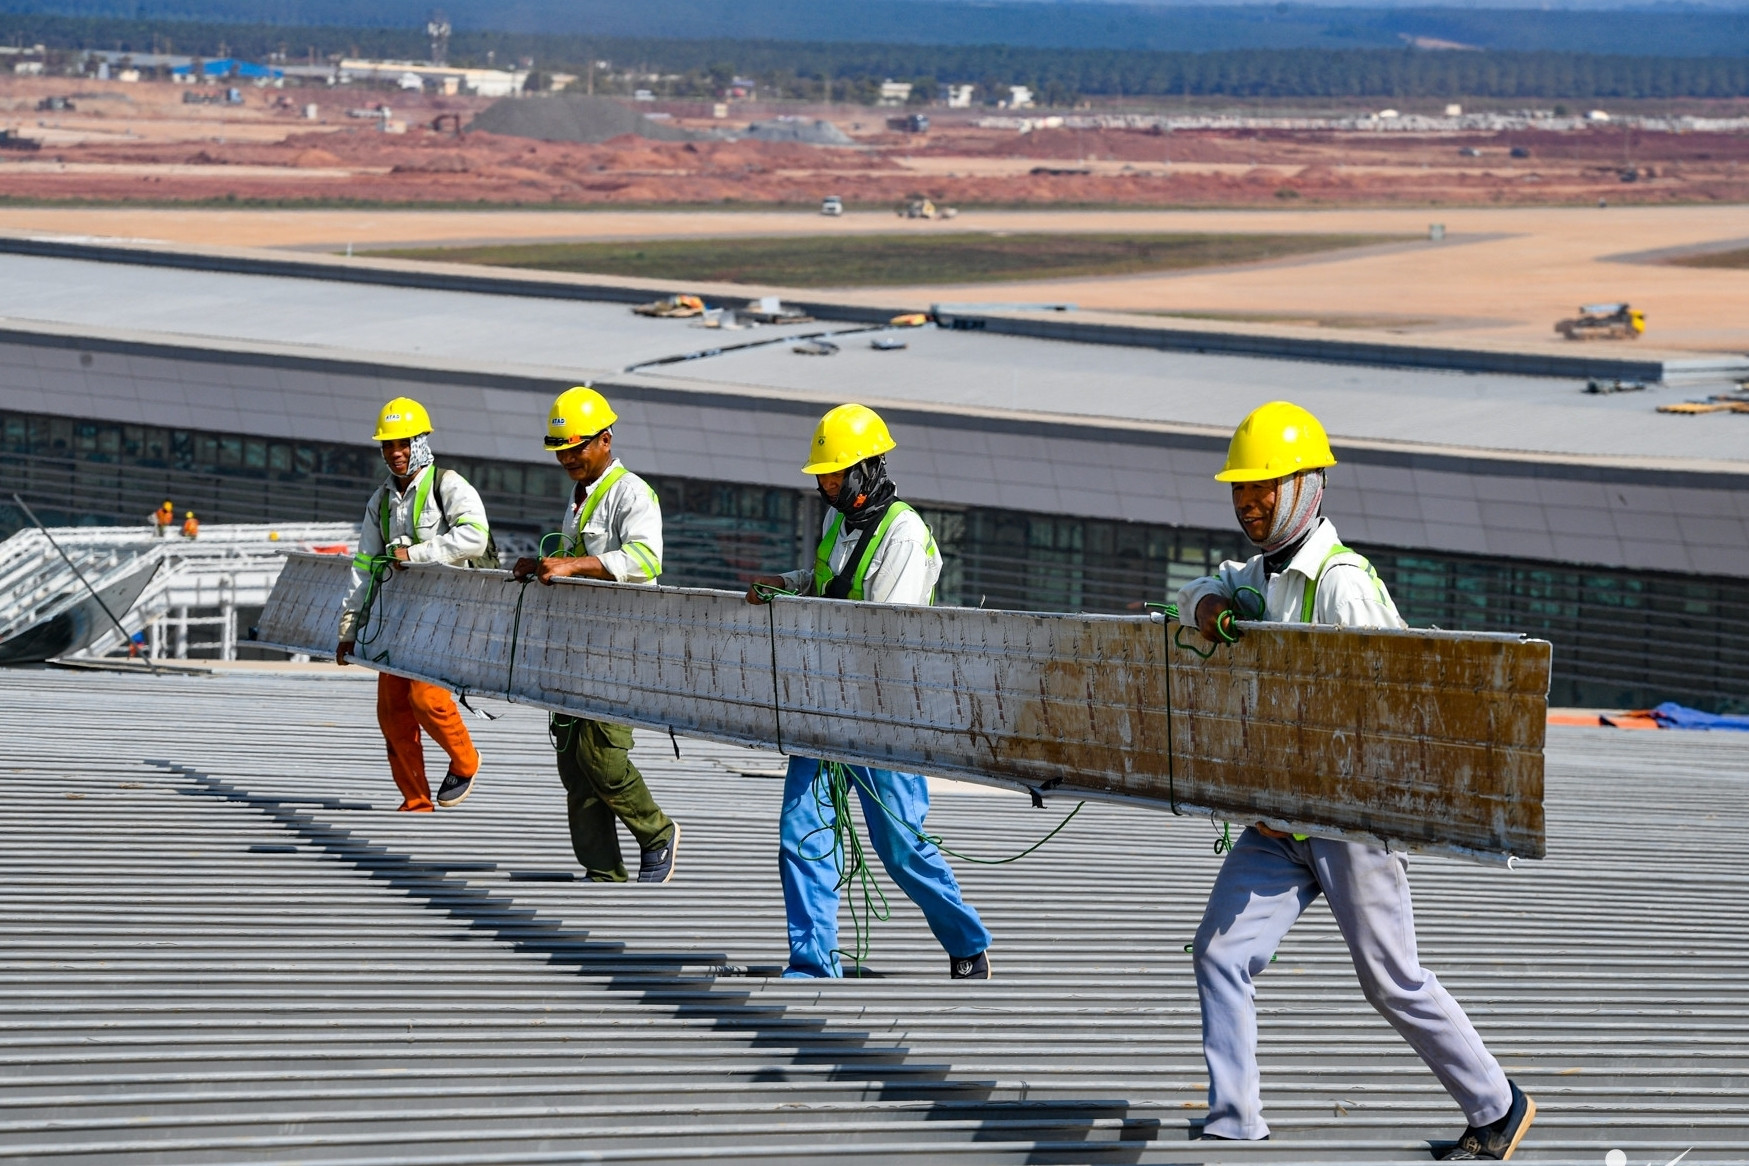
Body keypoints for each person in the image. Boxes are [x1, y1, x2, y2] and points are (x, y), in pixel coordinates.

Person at [1178, 401, 1535, 1160]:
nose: (1248, 505)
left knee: (1390, 980)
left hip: (1348, 822)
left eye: (1262, 490)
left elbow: (1400, 701)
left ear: (1305, 487)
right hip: (1278, 821)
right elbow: (1196, 590)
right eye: (1240, 492)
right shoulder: (1261, 575)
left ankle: (1497, 1105)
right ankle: (1233, 1116)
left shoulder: (1342, 586)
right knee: (1218, 953)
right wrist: (1207, 603)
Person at [747, 403, 993, 980]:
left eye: (835, 476)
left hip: (886, 713)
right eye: (822, 478)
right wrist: (787, 584)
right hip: (825, 702)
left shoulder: (903, 532)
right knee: (801, 833)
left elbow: (887, 630)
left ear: (867, 470)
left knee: (900, 845)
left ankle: (967, 943)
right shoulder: (840, 520)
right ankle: (812, 963)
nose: (826, 487)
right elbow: (830, 584)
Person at [510, 386, 679, 884]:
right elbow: (573, 563)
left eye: (576, 447)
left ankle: (656, 833)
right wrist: (544, 566)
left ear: (605, 440)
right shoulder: (580, 498)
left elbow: (647, 560)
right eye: (561, 450)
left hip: (619, 646)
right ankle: (602, 871)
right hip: (576, 645)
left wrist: (574, 564)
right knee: (573, 765)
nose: (567, 458)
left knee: (601, 756)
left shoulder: (631, 493)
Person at [336, 396, 492, 814]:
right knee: (392, 712)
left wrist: (417, 553)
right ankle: (416, 800)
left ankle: (465, 760)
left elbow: (475, 538)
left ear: (421, 441)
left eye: (403, 443)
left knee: (427, 700)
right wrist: (349, 628)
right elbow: (364, 566)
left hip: (445, 616)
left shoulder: (449, 486)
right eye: (388, 446)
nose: (396, 453)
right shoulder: (382, 501)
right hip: (397, 619)